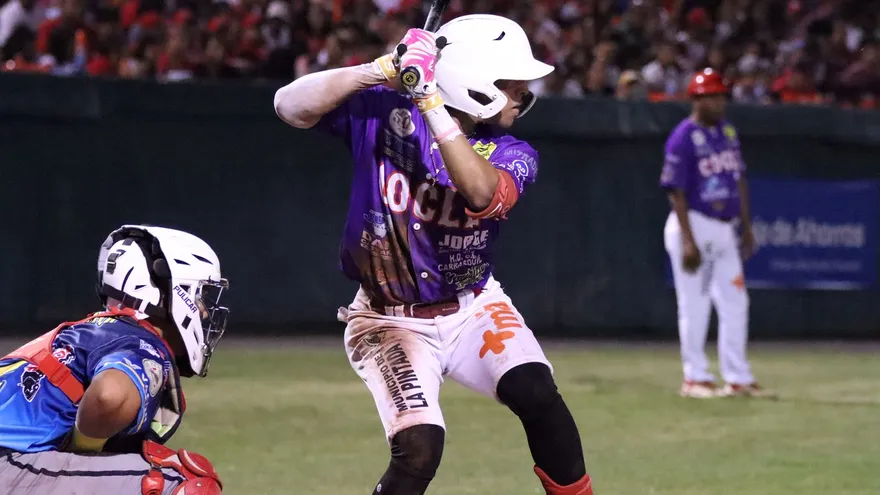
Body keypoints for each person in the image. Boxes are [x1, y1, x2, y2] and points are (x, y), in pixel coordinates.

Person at [274, 13, 594, 495]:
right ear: (474, 83)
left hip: (474, 304)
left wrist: (428, 100)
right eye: (512, 85)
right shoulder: (384, 111)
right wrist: (381, 69)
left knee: (537, 393)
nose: (523, 96)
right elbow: (289, 106)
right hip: (388, 319)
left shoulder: (513, 150)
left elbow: (484, 195)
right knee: (420, 446)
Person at [0, 225, 230, 494]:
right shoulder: (139, 342)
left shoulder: (87, 333)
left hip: (14, 460)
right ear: (166, 289)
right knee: (187, 482)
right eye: (200, 296)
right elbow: (109, 396)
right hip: (11, 465)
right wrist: (85, 450)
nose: (203, 311)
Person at [660, 68, 775, 399]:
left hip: (726, 228)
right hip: (693, 224)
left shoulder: (727, 131)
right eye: (712, 95)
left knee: (736, 301)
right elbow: (675, 191)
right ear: (697, 99)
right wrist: (688, 240)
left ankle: (737, 377)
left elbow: (739, 180)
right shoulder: (683, 136)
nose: (718, 101)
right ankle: (695, 377)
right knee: (694, 304)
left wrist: (747, 226)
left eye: (721, 95)